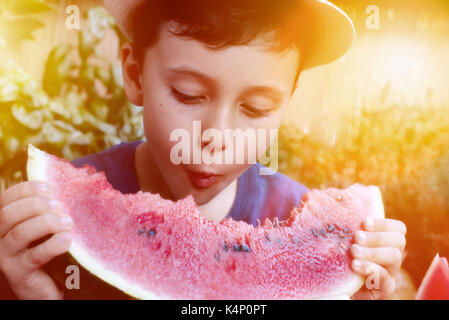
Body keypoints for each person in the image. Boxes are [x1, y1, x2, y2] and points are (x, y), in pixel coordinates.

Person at [0, 0, 407, 299]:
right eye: (188, 94)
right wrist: (31, 293)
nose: (217, 136)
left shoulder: (301, 220)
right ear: (134, 75)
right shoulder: (56, 226)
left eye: (256, 108)